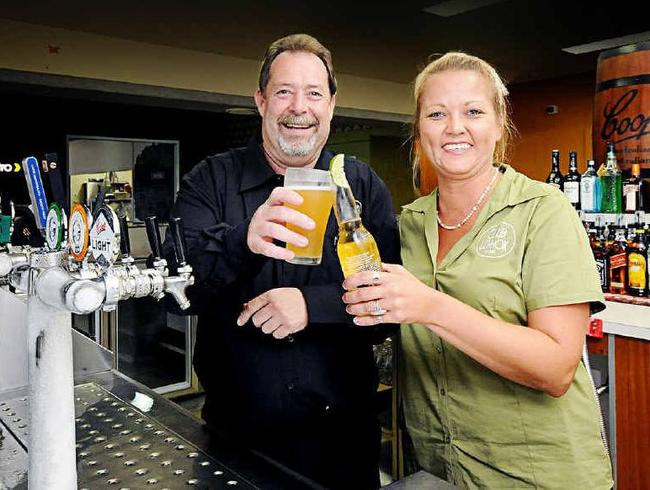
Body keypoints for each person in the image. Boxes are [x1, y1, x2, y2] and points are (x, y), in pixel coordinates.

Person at [342, 52, 613, 488]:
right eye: (436, 114)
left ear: (499, 122)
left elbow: (557, 367)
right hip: (437, 470)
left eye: (473, 111)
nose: (454, 127)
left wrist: (430, 307)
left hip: (537, 476)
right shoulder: (408, 224)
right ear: (418, 130)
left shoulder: (543, 211)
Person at [164, 34, 399, 489]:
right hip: (233, 443)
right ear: (261, 101)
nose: (299, 107)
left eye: (314, 93)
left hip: (344, 447)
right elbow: (179, 294)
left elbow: (389, 306)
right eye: (284, 92)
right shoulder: (210, 180)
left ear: (331, 104)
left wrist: (313, 305)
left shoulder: (361, 184)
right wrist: (243, 241)